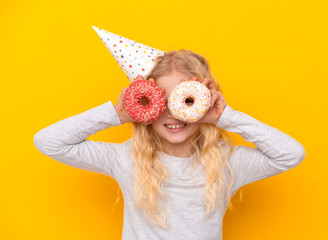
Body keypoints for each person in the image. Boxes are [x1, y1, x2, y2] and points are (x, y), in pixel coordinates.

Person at [33, 49, 306, 240]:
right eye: (160, 101)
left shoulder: (227, 162)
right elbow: (49, 142)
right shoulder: (127, 159)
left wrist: (226, 117)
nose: (172, 113)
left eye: (185, 101)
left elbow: (290, 154)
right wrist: (117, 114)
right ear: (145, 107)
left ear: (203, 103)